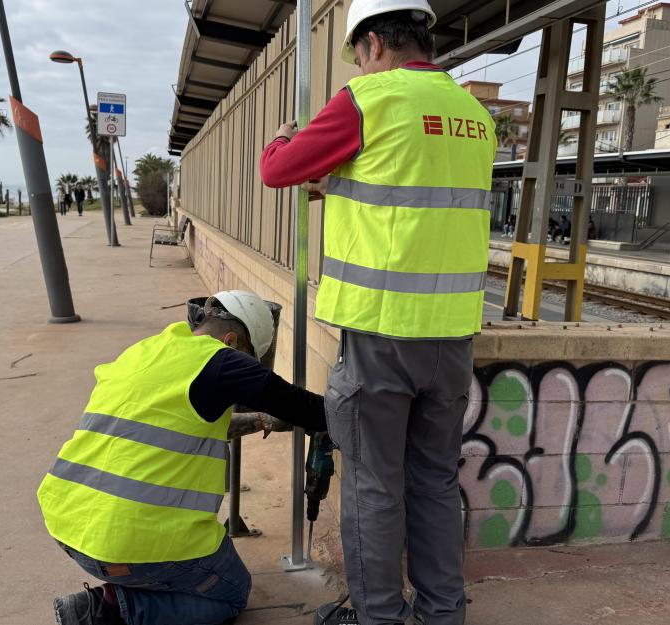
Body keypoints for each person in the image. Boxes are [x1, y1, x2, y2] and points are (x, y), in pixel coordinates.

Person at [259, 3, 495, 624]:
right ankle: (443, 615)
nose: (357, 65)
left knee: (373, 488)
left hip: (382, 336)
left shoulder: (366, 99)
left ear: (372, 44)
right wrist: (336, 182)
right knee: (436, 482)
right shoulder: (474, 113)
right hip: (453, 338)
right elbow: (412, 192)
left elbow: (277, 171)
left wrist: (285, 137)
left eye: (357, 55)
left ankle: (378, 619)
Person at [39, 291, 327, 625]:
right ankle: (110, 609)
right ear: (232, 340)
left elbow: (186, 423)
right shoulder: (224, 361)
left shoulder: (146, 351)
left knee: (192, 573)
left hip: (67, 526)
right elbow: (309, 409)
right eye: (250, 356)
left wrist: (262, 420)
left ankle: (132, 586)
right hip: (122, 544)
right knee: (232, 592)